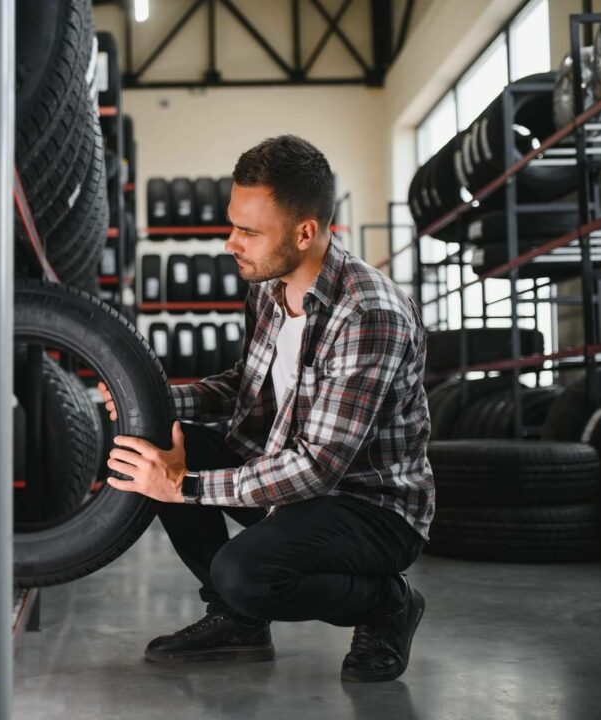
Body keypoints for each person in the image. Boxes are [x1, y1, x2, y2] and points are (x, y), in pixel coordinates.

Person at [96, 134, 434, 683]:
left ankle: (387, 604)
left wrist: (186, 486)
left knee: (244, 570)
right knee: (151, 439)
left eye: (248, 231)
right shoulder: (269, 288)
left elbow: (319, 466)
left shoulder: (369, 313)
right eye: (233, 224)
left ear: (305, 233)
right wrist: (152, 401)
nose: (231, 243)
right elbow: (247, 385)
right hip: (292, 483)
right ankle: (239, 622)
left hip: (370, 506)